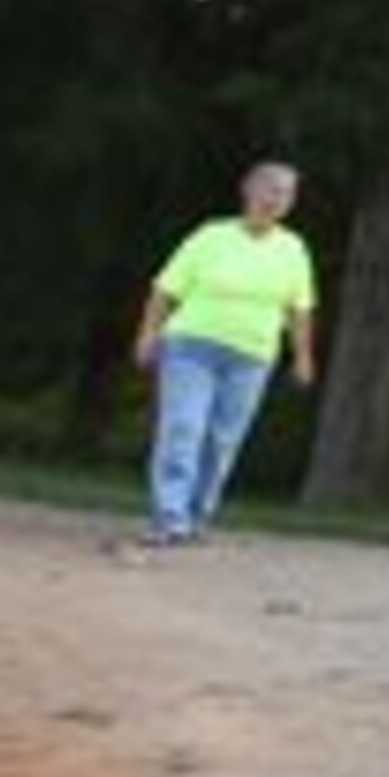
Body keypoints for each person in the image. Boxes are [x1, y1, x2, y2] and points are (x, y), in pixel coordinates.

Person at [127, 159, 321, 553]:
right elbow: (165, 289)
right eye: (269, 188)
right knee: (183, 428)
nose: (276, 198)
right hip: (191, 346)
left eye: (286, 193)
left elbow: (299, 308)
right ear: (248, 190)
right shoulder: (210, 236)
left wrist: (303, 356)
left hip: (252, 356)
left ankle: (198, 516)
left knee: (222, 441)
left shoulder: (293, 248)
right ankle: (170, 518)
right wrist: (148, 333)